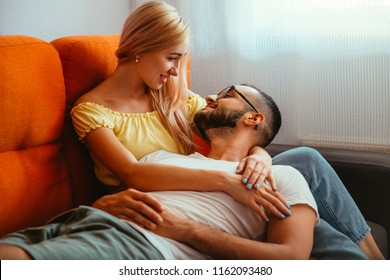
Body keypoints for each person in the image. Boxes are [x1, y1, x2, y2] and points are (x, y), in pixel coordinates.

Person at [69, 1, 383, 259]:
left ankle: (373, 261)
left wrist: (260, 155)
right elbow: (133, 173)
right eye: (172, 58)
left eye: (180, 59)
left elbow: (234, 129)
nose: (176, 70)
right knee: (292, 200)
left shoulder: (174, 99)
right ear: (140, 47)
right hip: (159, 204)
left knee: (304, 167)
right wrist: (227, 180)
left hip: (204, 195)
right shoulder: (92, 111)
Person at [0, 84, 319, 259]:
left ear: (253, 118)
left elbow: (289, 258)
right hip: (81, 221)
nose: (210, 97)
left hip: (144, 248)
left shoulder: (281, 178)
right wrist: (100, 205)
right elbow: (123, 191)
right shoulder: (159, 158)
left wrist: (188, 231)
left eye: (227, 95)